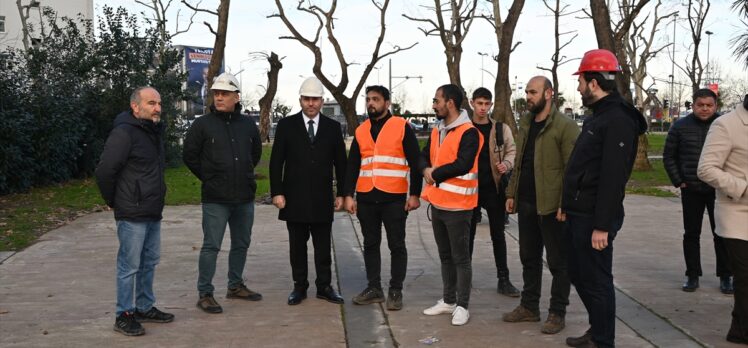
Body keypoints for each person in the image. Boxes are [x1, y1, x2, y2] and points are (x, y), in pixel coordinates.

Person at [561, 49, 647, 348]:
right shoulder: (600, 116)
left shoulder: (618, 119)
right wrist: (566, 204)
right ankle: (597, 327)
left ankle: (603, 340)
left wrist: (602, 225)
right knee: (578, 273)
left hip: (594, 219)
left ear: (594, 82)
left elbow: (613, 178)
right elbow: (584, 167)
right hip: (579, 213)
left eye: (581, 81)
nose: (579, 87)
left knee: (597, 281)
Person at [502, 76, 579, 335]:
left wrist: (564, 204)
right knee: (529, 258)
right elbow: (520, 162)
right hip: (525, 203)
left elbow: (572, 170)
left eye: (533, 92)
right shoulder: (525, 124)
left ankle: (557, 312)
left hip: (552, 206)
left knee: (558, 262)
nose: (528, 96)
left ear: (549, 94)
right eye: (526, 92)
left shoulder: (565, 127)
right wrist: (511, 192)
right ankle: (529, 307)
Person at [95, 86, 174, 336]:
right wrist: (114, 201)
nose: (157, 108)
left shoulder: (151, 132)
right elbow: (105, 171)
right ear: (135, 106)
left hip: (152, 210)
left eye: (159, 103)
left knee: (149, 261)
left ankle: (144, 306)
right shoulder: (124, 133)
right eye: (151, 103)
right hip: (132, 211)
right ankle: (124, 313)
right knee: (129, 265)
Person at [183, 72, 263, 314]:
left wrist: (245, 175)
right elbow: (189, 156)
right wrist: (210, 177)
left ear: (236, 97)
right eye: (216, 93)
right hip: (216, 199)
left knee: (241, 243)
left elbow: (255, 154)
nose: (219, 97)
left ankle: (235, 285)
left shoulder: (248, 125)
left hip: (243, 197)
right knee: (211, 246)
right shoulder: (202, 125)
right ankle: (205, 293)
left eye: (224, 94)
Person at [269, 77, 347, 306]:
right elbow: (276, 162)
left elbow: (341, 164)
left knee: (323, 247)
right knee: (297, 247)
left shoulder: (333, 128)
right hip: (294, 199)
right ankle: (299, 287)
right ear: (300, 100)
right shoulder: (286, 126)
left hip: (322, 198)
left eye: (315, 99)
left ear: (322, 101)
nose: (311, 104)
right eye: (307, 99)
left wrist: (342, 193)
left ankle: (324, 286)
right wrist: (277, 192)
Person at [343, 85, 422, 310]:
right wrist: (349, 195)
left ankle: (395, 290)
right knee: (370, 244)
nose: (370, 103)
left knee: (396, 245)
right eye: (368, 99)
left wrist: (414, 194)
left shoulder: (401, 127)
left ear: (387, 103)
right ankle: (374, 288)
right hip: (367, 197)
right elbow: (353, 165)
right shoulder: (361, 130)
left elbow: (416, 162)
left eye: (376, 99)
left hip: (394, 198)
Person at [420, 84, 482, 326]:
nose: (434, 105)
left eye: (437, 101)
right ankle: (448, 300)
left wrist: (434, 174)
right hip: (438, 204)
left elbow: (464, 163)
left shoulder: (469, 132)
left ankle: (462, 306)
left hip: (459, 206)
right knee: (445, 256)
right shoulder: (438, 129)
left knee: (461, 258)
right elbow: (425, 154)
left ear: (451, 103)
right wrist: (425, 168)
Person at [663, 88, 732, 294]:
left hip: (718, 189)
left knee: (721, 233)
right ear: (692, 105)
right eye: (700, 105)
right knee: (691, 233)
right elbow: (669, 156)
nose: (704, 109)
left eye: (709, 105)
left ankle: (726, 276)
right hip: (691, 188)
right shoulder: (680, 127)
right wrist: (679, 181)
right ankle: (692, 275)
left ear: (715, 106)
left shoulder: (724, 126)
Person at [697, 94, 748, 345]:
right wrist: (743, 188)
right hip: (738, 215)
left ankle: (739, 330)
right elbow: (706, 168)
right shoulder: (727, 124)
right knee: (745, 277)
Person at [466, 87, 520, 297]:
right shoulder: (464, 128)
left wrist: (506, 163)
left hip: (494, 188)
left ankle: (503, 279)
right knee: (466, 235)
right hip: (469, 189)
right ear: (472, 103)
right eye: (479, 103)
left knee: (498, 234)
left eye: (487, 104)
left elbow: (512, 149)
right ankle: (464, 279)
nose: (483, 108)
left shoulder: (500, 129)